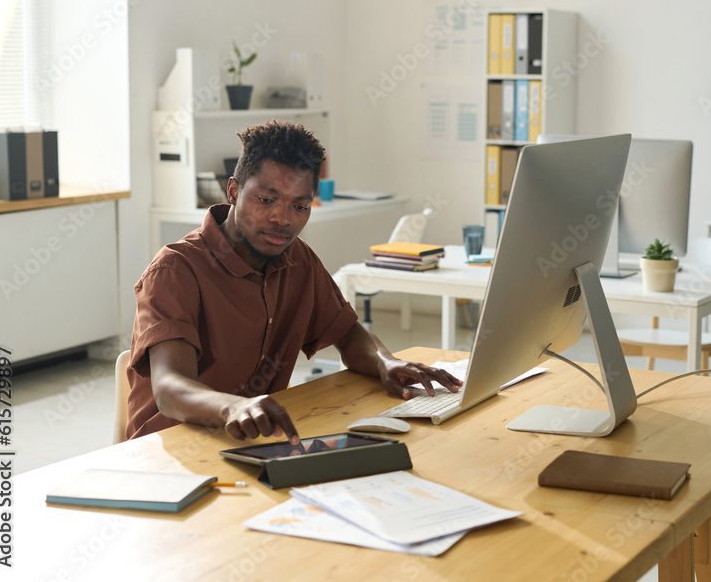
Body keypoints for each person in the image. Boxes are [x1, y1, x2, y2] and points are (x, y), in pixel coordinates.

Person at [125, 120, 460, 441]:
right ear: (233, 191)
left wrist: (387, 362)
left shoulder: (299, 260)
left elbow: (348, 334)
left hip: (252, 441)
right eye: (266, 199)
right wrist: (234, 407)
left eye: (300, 206)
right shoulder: (175, 270)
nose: (282, 219)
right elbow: (169, 387)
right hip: (169, 451)